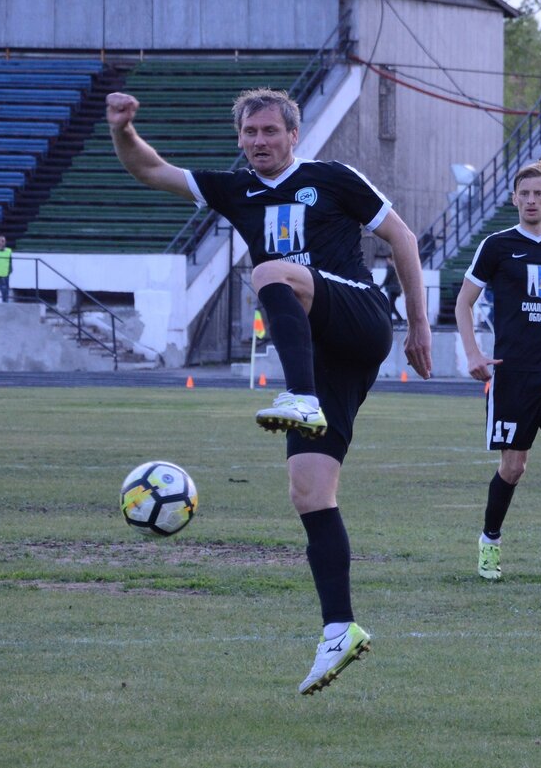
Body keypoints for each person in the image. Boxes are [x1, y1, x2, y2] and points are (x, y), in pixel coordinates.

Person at [106, 88, 433, 694]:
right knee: (309, 490)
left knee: (268, 272)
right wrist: (123, 129)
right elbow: (150, 170)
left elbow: (403, 239)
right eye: (250, 132)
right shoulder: (235, 189)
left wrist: (418, 325)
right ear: (239, 138)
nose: (259, 141)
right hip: (323, 352)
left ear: (293, 135)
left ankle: (299, 396)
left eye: (270, 131)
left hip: (358, 315)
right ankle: (339, 629)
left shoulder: (333, 178)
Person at [454, 159, 541, 583]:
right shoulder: (496, 245)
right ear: (514, 198)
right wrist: (473, 354)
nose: (531, 200)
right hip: (513, 373)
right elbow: (463, 303)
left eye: (539, 193)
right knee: (513, 467)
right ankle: (490, 541)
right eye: (524, 194)